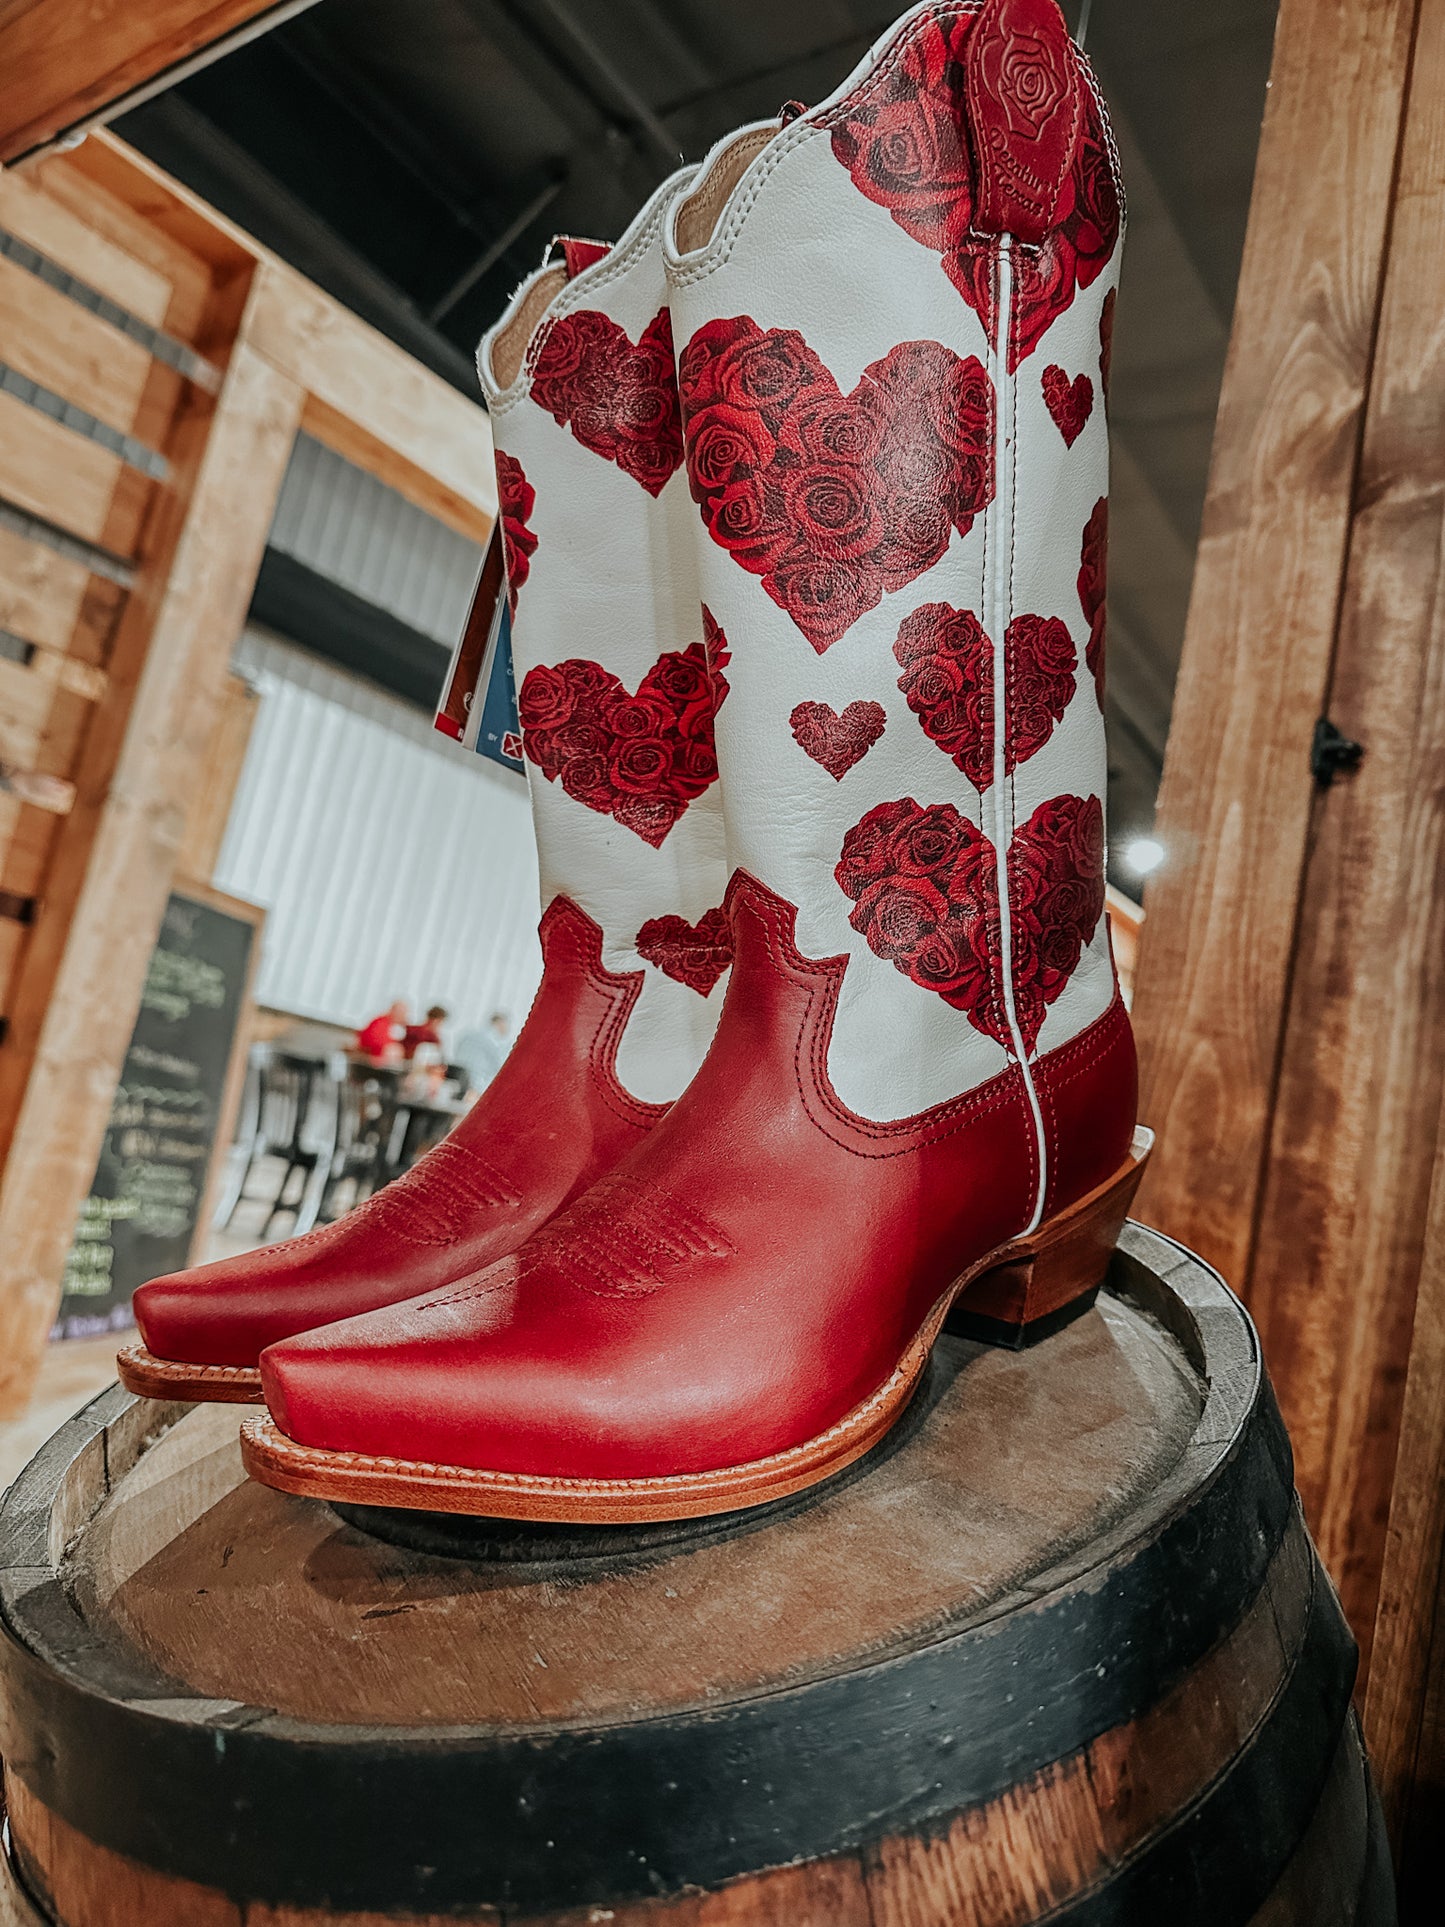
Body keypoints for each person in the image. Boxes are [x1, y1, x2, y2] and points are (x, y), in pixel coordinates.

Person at [451, 1010, 510, 1094]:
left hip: (457, 1077)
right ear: (500, 1023)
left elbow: (457, 1051)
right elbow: (500, 1067)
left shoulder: (469, 1034)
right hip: (476, 1084)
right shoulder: (494, 1040)